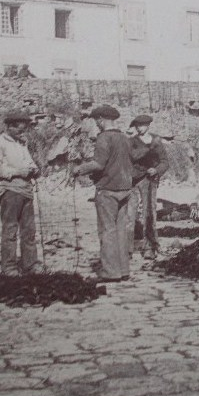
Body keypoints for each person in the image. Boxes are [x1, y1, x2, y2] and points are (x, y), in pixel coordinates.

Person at [72, 105, 134, 283]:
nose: (96, 124)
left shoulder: (103, 138)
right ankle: (123, 270)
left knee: (107, 231)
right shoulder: (125, 138)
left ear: (100, 119)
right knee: (121, 230)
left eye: (95, 121)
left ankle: (109, 272)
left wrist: (79, 169)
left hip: (108, 190)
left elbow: (99, 164)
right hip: (125, 189)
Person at [0, 111, 40, 276]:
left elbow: (29, 162)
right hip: (10, 191)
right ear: (9, 127)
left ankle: (30, 265)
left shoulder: (21, 144)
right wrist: (18, 172)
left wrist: (34, 169)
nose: (22, 133)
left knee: (29, 231)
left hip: (26, 191)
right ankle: (9, 267)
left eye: (24, 130)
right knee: (10, 230)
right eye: (19, 130)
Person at [127, 114, 168, 260]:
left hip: (149, 180)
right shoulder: (131, 141)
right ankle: (127, 249)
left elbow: (164, 162)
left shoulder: (157, 141)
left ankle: (150, 246)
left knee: (149, 213)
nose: (139, 128)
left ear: (148, 126)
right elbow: (131, 157)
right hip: (132, 180)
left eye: (142, 125)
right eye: (137, 125)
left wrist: (156, 170)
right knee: (129, 214)